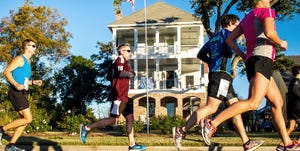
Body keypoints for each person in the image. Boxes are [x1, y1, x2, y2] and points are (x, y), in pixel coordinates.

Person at [202, 0, 300, 150]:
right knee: (254, 102)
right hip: (262, 60)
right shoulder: (266, 11)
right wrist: (282, 43)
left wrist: (243, 55)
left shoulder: (248, 17)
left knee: (277, 102)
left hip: (254, 61)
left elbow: (230, 39)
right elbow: (269, 33)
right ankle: (212, 124)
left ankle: (286, 143)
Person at [172, 14, 263, 151]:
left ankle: (246, 142)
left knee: (235, 108)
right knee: (212, 107)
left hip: (221, 75)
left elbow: (201, 54)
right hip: (221, 76)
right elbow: (232, 48)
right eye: (238, 25)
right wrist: (250, 50)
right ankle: (181, 131)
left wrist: (212, 63)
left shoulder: (215, 37)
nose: (240, 28)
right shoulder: (228, 35)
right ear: (231, 23)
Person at [79, 43, 147, 151]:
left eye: (130, 51)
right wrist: (130, 74)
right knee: (112, 120)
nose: (130, 53)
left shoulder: (121, 63)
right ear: (122, 51)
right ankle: (87, 128)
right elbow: (120, 73)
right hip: (119, 97)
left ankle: (132, 145)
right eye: (128, 51)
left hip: (124, 96)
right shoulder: (120, 59)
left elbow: (109, 75)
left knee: (130, 119)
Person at [0, 39, 43, 151]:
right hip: (15, 92)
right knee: (28, 118)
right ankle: (1, 129)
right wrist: (16, 84)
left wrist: (33, 82)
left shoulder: (28, 63)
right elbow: (6, 72)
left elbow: (23, 81)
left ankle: (10, 145)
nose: (35, 48)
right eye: (33, 46)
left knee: (24, 120)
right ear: (27, 47)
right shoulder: (20, 59)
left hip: (21, 92)